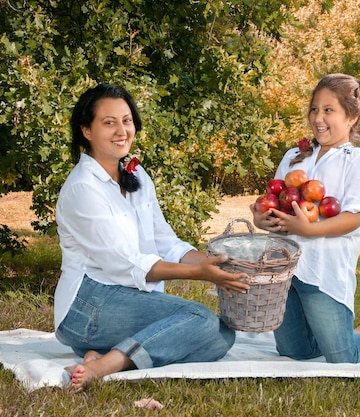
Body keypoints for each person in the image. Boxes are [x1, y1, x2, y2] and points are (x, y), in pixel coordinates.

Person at [54, 83, 250, 391]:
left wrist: (217, 263)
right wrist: (198, 274)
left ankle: (102, 354)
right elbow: (126, 264)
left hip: (128, 299)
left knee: (222, 335)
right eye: (109, 122)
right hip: (88, 306)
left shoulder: (136, 175)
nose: (122, 130)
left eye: (127, 120)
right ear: (86, 131)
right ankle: (107, 366)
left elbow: (165, 242)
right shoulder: (83, 188)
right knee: (200, 318)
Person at [250, 74, 360, 363]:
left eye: (328, 110)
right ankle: (345, 334)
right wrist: (262, 219)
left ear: (352, 116)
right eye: (314, 109)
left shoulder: (356, 160)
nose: (318, 118)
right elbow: (272, 202)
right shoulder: (294, 156)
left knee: (342, 357)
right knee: (294, 351)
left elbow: (354, 217)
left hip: (323, 272)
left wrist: (309, 229)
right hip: (284, 268)